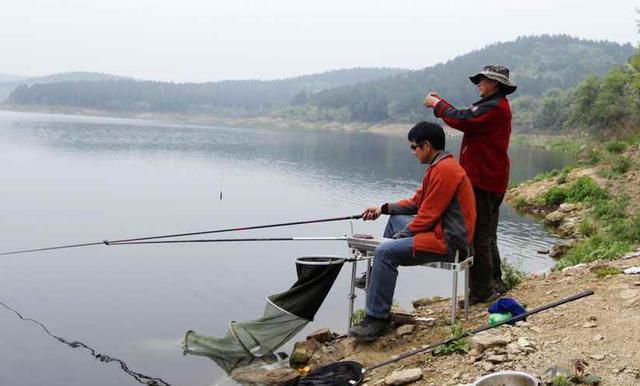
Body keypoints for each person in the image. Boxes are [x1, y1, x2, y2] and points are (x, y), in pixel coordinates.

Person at [348, 121, 476, 342]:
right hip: (439, 231)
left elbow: (427, 216)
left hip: (448, 241)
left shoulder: (445, 170)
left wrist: (397, 240)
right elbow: (417, 202)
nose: (413, 152)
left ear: (426, 146)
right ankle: (375, 276)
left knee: (385, 253)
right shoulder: (438, 166)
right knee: (396, 219)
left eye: (413, 147)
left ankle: (376, 319)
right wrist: (383, 209)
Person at [423, 65, 517, 305]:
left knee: (477, 237)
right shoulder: (496, 106)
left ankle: (482, 292)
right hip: (492, 179)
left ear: (494, 84)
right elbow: (466, 117)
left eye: (482, 81)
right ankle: (494, 281)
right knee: (488, 235)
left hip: (483, 180)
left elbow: (462, 118)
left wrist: (437, 103)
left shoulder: (494, 107)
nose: (479, 84)